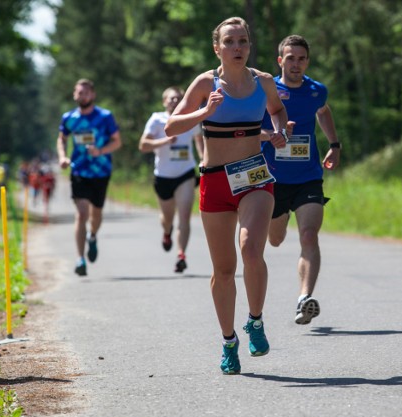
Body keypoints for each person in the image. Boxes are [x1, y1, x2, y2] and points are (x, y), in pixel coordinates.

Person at [165, 17, 289, 375]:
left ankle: (255, 320)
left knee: (251, 249)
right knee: (223, 269)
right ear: (217, 48)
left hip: (253, 175)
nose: (238, 48)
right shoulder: (207, 83)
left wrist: (278, 131)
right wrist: (206, 111)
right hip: (215, 181)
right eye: (230, 42)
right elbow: (173, 125)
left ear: (250, 46)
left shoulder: (263, 81)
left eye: (243, 41)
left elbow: (277, 110)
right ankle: (228, 341)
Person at [261, 35, 342, 325]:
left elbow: (323, 111)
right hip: (271, 178)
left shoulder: (317, 91)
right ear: (280, 60)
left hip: (308, 176)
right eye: (290, 58)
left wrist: (334, 144)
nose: (296, 64)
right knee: (275, 238)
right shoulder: (265, 89)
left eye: (301, 58)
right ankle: (276, 228)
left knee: (308, 235)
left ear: (307, 61)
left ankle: (304, 298)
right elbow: (248, 127)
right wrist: (275, 135)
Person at [56, 78, 122, 276]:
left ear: (92, 95)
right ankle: (80, 259)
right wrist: (62, 157)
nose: (82, 96)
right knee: (82, 214)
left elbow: (117, 142)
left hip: (101, 172)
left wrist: (100, 151)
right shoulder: (69, 118)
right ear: (74, 95)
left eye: (85, 93)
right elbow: (61, 139)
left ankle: (93, 236)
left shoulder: (105, 116)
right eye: (78, 93)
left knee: (97, 214)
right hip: (78, 171)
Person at [139, 86, 204, 273]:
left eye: (178, 98)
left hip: (185, 173)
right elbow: (143, 145)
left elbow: (199, 143)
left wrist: (202, 160)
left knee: (184, 215)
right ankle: (167, 232)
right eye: (171, 99)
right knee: (167, 217)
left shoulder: (190, 119)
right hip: (164, 175)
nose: (174, 101)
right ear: (164, 101)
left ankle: (181, 254)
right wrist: (165, 141)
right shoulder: (157, 120)